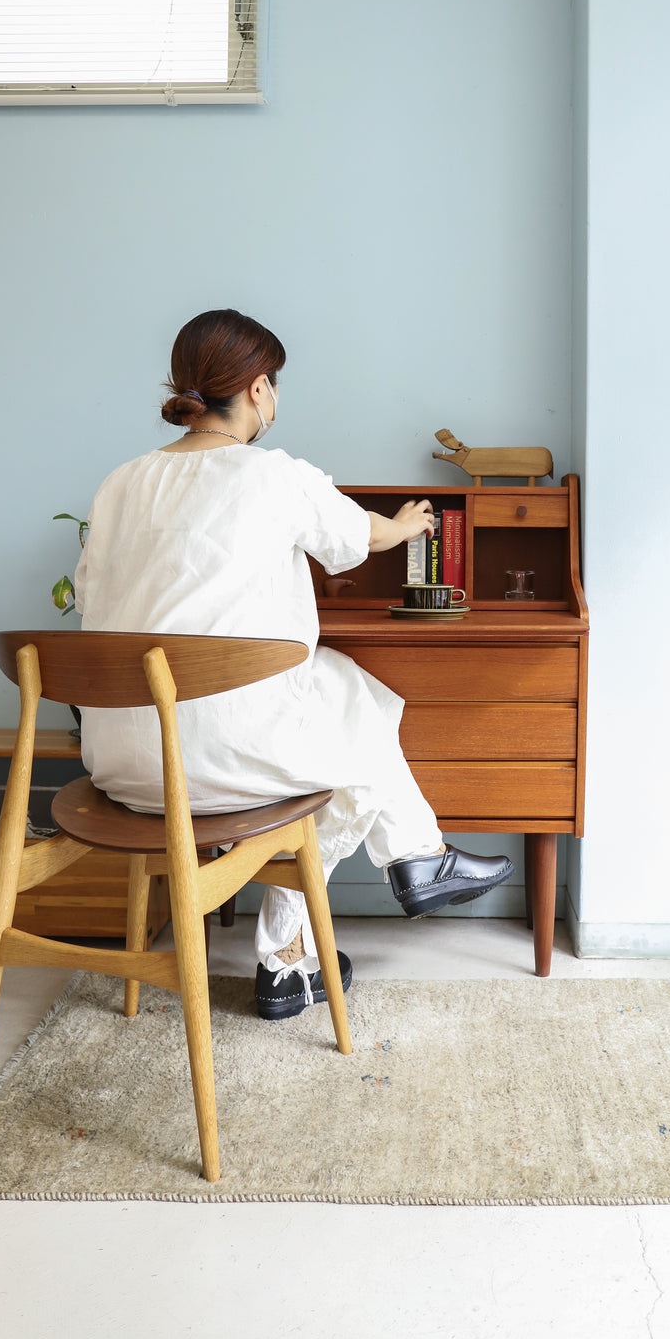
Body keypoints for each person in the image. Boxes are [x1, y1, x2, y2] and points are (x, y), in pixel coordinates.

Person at [74, 308, 513, 1019]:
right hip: (220, 761)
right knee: (357, 717)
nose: (274, 399)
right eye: (273, 384)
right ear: (255, 388)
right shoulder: (272, 475)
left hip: (123, 764)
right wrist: (404, 527)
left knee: (341, 698)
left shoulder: (119, 483)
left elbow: (92, 599)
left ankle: (293, 961)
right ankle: (406, 861)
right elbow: (354, 534)